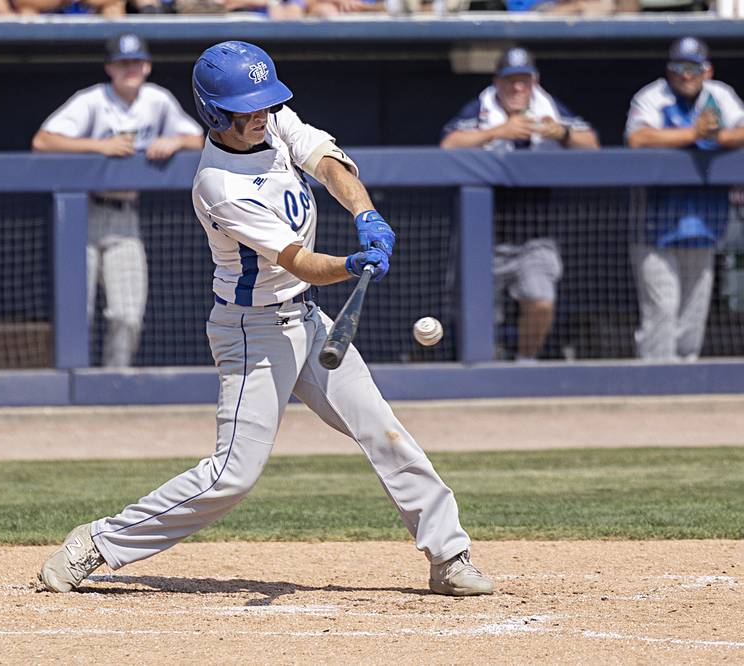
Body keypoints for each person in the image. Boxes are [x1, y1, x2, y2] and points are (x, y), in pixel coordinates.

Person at [38, 40, 494, 598]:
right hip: (253, 332)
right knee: (233, 475)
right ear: (213, 112)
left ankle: (449, 556)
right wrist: (351, 264)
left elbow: (327, 161)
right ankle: (98, 544)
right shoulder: (218, 185)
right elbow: (299, 261)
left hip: (307, 317)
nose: (260, 114)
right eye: (246, 107)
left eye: (264, 104)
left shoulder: (271, 120)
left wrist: (365, 211)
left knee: (384, 431)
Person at [32, 34, 204, 366]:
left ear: (147, 66)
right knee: (76, 312)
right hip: (84, 215)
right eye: (123, 63)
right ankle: (74, 382)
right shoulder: (92, 100)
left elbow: (198, 138)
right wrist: (98, 147)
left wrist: (175, 141)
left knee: (126, 314)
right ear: (110, 67)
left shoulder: (157, 100)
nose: (131, 69)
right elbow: (43, 140)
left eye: (136, 62)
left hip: (126, 217)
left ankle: (115, 382)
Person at [440, 46, 599, 361]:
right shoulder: (481, 109)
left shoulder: (549, 107)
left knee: (541, 302)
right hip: (484, 237)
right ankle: (486, 368)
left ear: (534, 81)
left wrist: (563, 132)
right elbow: (449, 144)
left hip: (535, 235)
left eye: (524, 81)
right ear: (497, 81)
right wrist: (501, 131)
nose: (517, 88)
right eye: (510, 80)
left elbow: (591, 145)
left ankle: (525, 362)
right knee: (478, 313)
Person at [625, 37, 744, 361]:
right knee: (662, 308)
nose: (686, 75)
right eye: (680, 68)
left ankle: (685, 380)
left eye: (694, 68)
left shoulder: (719, 95)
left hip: (703, 223)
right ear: (669, 70)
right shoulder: (653, 96)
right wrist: (693, 134)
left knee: (693, 315)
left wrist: (716, 136)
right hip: (653, 226)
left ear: (707, 71)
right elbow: (638, 138)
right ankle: (656, 380)